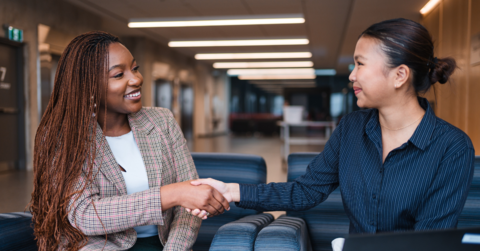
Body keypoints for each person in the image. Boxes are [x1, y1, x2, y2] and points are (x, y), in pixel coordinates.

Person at [188, 18, 475, 233]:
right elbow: (304, 191)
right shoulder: (351, 128)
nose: (352, 76)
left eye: (360, 64)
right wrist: (230, 191)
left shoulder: (452, 147)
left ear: (400, 75)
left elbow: (429, 240)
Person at [29, 31, 229, 251]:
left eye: (135, 68)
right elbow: (84, 215)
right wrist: (172, 194)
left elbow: (189, 207)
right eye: (118, 75)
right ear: (89, 86)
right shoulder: (65, 137)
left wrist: (174, 249)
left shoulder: (162, 122)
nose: (136, 79)